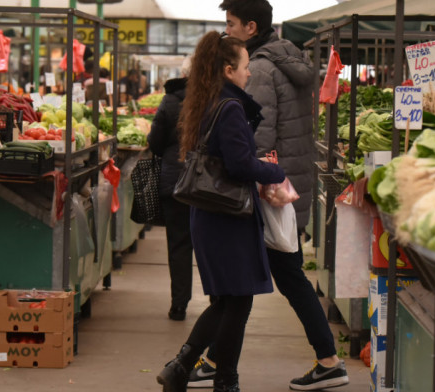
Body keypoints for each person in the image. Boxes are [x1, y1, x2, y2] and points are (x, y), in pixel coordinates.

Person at [187, 1, 350, 391]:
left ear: (250, 26)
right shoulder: (290, 58)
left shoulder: (257, 67)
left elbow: (254, 135)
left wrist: (256, 178)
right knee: (275, 278)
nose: (226, 32)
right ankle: (216, 360)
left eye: (231, 24)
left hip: (269, 190)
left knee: (244, 283)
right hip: (291, 184)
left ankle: (324, 361)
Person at [156, 31, 285, 392]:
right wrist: (274, 171)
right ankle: (222, 379)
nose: (249, 74)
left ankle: (183, 367)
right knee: (237, 299)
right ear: (229, 69)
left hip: (212, 214)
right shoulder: (229, 108)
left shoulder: (209, 101)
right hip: (227, 217)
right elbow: (240, 165)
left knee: (230, 299)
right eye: (245, 67)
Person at [146, 58, 193, 321]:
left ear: (183, 74)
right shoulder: (215, 100)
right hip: (208, 184)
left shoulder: (170, 101)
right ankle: (216, 302)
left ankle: (179, 305)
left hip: (175, 182)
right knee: (209, 243)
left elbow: (155, 142)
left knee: (178, 245)